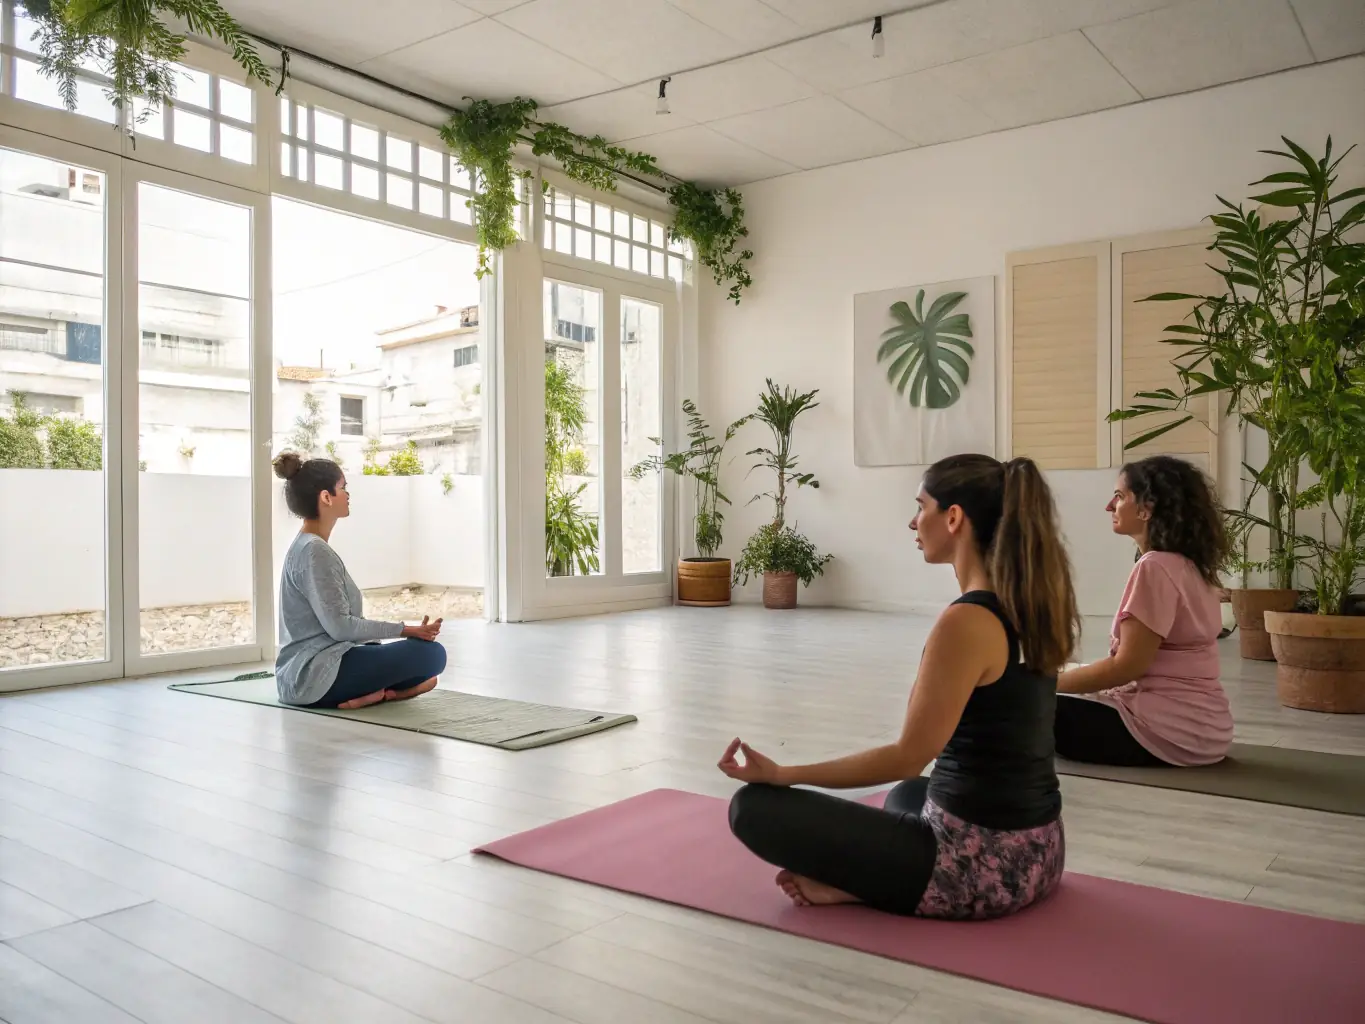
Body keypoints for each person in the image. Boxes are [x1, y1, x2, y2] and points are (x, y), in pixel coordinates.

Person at [719, 454, 1079, 920]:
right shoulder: (1029, 606)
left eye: (921, 506)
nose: (913, 521)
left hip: (979, 870)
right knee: (909, 793)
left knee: (751, 809)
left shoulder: (967, 621)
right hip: (1041, 851)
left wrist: (782, 774)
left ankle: (864, 887)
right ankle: (876, 876)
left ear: (953, 518)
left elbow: (908, 753)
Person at [1054, 455, 1231, 767]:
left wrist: (1041, 684)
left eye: (1120, 496)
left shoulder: (1155, 567)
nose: (1110, 506)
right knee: (1060, 681)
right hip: (1207, 732)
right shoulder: (1190, 566)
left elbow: (1126, 668)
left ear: (1146, 508)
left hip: (1163, 733)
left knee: (1013, 702)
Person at [273, 452, 446, 710]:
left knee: (418, 656)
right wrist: (407, 629)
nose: (348, 494)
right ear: (326, 497)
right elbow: (341, 628)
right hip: (313, 677)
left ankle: (378, 694)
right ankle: (386, 692)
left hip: (314, 671)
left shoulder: (309, 546)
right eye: (343, 488)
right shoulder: (314, 551)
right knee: (432, 654)